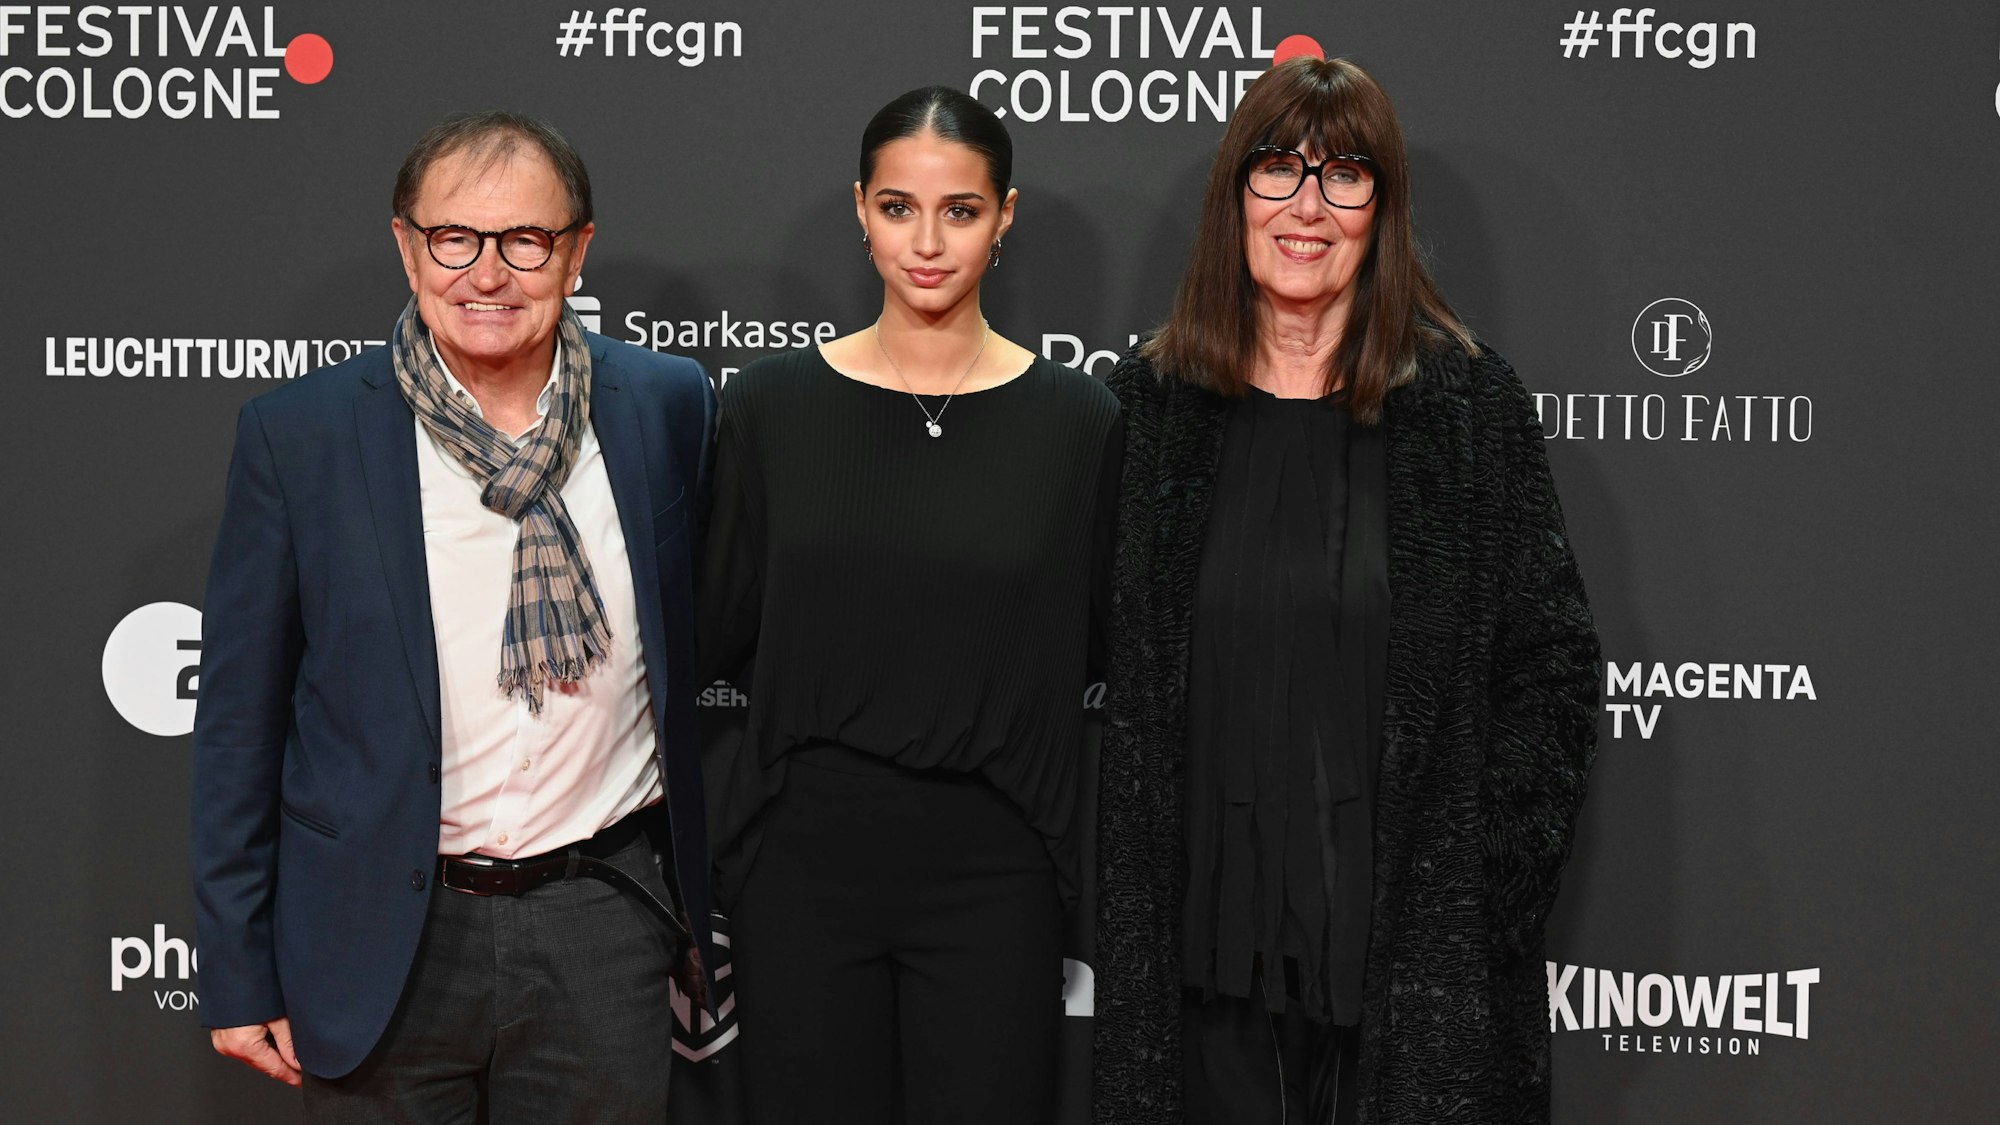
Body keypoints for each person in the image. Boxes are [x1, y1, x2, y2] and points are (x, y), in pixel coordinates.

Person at [1094, 56, 1601, 1124]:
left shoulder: (1468, 408)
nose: (1307, 206)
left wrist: (1487, 895)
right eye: (1277, 169)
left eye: (1344, 174)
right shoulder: (1148, 409)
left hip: (1409, 954)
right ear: (1234, 193)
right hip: (1200, 952)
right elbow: (1085, 660)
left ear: (1383, 205)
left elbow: (1549, 663)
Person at [191, 110, 717, 1122]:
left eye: (526, 240)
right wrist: (238, 966)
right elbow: (239, 726)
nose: (488, 274)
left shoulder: (665, 406)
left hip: (599, 920)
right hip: (379, 931)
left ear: (576, 253)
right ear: (405, 244)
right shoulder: (298, 436)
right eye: (454, 240)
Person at [698, 86, 1121, 1125]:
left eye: (959, 211)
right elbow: (714, 627)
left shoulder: (1078, 422)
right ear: (859, 209)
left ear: (1003, 216)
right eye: (897, 208)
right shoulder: (765, 407)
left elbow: (1099, 650)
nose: (926, 243)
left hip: (998, 865)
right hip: (800, 862)